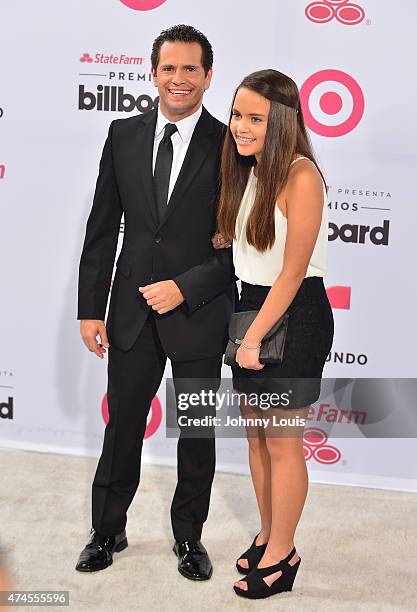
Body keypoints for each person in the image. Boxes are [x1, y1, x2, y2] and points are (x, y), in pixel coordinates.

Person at [75, 24, 234, 580]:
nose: (179, 78)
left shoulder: (231, 146)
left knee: (195, 433)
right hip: (131, 314)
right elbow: (103, 228)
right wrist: (90, 308)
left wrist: (185, 287)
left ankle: (189, 537)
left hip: (198, 314)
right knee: (122, 429)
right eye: (170, 68)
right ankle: (107, 530)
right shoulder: (122, 135)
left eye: (191, 68)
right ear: (153, 74)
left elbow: (241, 245)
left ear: (208, 77)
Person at [214, 69, 334, 599]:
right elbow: (254, 251)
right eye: (237, 114)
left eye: (254, 118)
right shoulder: (253, 171)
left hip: (294, 314)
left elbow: (292, 272)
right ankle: (268, 534)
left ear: (282, 121)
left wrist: (251, 338)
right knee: (258, 440)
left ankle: (284, 554)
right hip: (252, 309)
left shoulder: (302, 175)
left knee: (284, 445)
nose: (240, 126)